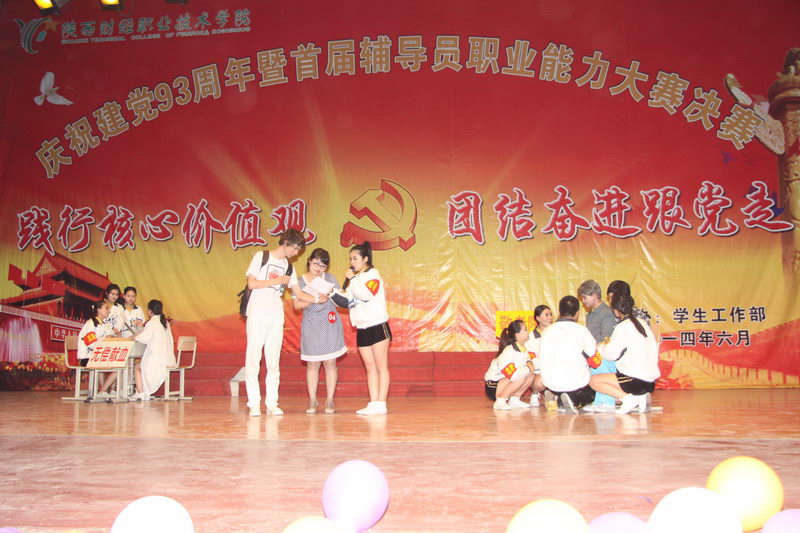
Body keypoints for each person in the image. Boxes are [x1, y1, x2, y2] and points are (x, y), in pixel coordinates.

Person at [243, 228, 303, 417]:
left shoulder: (289, 267)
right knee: (253, 358)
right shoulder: (262, 256)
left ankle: (272, 403)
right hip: (257, 312)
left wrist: (319, 297)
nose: (296, 253)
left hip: (276, 314)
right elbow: (252, 283)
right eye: (295, 249)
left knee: (273, 360)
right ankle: (254, 403)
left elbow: (298, 293)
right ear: (286, 243)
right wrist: (276, 281)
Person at [292, 248, 346, 414]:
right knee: (312, 364)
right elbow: (296, 305)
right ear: (309, 261)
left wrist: (331, 294)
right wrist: (315, 298)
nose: (318, 268)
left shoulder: (330, 279)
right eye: (316, 264)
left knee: (330, 363)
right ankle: (312, 399)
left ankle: (329, 400)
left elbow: (340, 301)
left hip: (329, 323)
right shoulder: (299, 282)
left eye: (322, 266)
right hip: (311, 324)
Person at [340, 242, 391, 415]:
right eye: (350, 259)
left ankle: (381, 403)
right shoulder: (355, 279)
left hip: (377, 324)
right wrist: (332, 294)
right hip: (362, 326)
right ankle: (373, 402)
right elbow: (348, 300)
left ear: (365, 259)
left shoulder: (373, 274)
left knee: (381, 366)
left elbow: (366, 295)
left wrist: (353, 279)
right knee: (369, 366)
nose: (352, 262)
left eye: (355, 258)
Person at [590, 294, 660, 414]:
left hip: (636, 381)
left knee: (593, 381)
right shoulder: (642, 323)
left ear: (615, 311)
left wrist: (600, 347)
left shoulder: (623, 327)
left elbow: (611, 355)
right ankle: (639, 398)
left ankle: (627, 399)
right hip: (650, 382)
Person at [538, 296, 597, 414]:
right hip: (574, 385)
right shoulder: (582, 330)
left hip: (550, 383)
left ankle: (556, 397)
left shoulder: (547, 331)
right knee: (593, 392)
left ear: (559, 311)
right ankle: (572, 401)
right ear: (578, 313)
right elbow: (592, 354)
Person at [578, 279, 617, 412]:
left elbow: (607, 338)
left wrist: (594, 349)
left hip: (603, 354)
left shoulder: (607, 312)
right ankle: (600, 401)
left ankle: (607, 401)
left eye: (585, 297)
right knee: (594, 376)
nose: (583, 301)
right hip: (593, 353)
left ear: (594, 295)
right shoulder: (590, 315)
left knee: (601, 373)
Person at [130, 299, 176, 401]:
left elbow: (145, 338)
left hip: (157, 361)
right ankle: (143, 392)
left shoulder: (151, 323)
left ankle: (140, 392)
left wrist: (135, 337)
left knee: (137, 367)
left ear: (150, 311)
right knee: (141, 365)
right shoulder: (165, 322)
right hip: (169, 359)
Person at [484, 320, 536, 410]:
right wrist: (528, 368)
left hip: (506, 381)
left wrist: (530, 363)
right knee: (521, 377)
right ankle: (500, 401)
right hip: (493, 385)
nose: (528, 331)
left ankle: (514, 400)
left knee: (530, 376)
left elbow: (528, 362)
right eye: (525, 329)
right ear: (517, 335)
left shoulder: (523, 348)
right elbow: (514, 376)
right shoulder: (509, 351)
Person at [76, 300, 113, 401]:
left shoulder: (104, 324)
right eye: (106, 308)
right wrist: (105, 340)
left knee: (117, 363)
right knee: (118, 364)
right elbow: (91, 343)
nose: (109, 311)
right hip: (87, 357)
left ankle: (104, 391)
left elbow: (111, 335)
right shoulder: (90, 324)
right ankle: (104, 390)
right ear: (99, 310)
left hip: (96, 355)